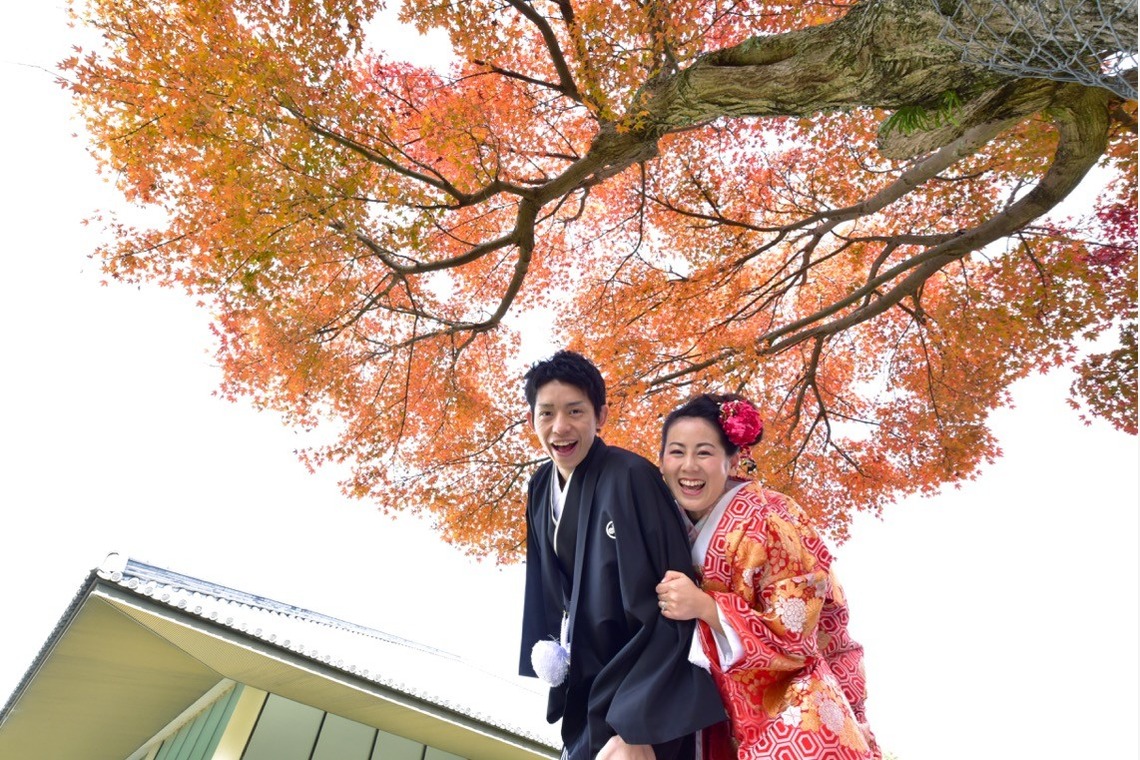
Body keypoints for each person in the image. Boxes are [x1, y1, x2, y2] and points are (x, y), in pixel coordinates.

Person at [518, 350, 727, 760]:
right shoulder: (540, 487)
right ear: (532, 421)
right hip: (585, 684)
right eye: (546, 414)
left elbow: (674, 607)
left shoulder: (631, 476)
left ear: (601, 416)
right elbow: (546, 589)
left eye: (575, 411)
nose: (560, 428)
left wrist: (639, 725)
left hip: (639, 697)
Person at [654, 393, 880, 760]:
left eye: (705, 452)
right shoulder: (659, 518)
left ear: (733, 459)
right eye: (677, 452)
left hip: (789, 709)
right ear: (662, 460)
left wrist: (708, 607)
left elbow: (795, 632)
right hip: (701, 711)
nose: (689, 466)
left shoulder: (772, 517)